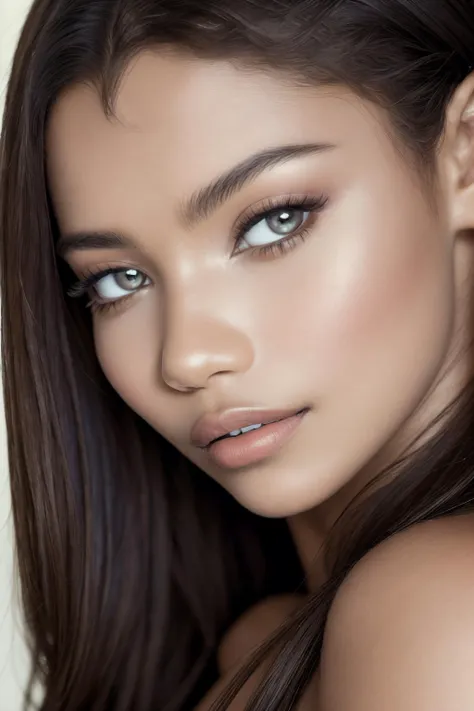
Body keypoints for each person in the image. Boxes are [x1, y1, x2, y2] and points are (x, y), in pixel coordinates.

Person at [1, 0, 474, 708]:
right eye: (119, 279)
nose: (186, 357)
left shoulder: (442, 614)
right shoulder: (259, 636)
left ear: (465, 156)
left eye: (273, 223)